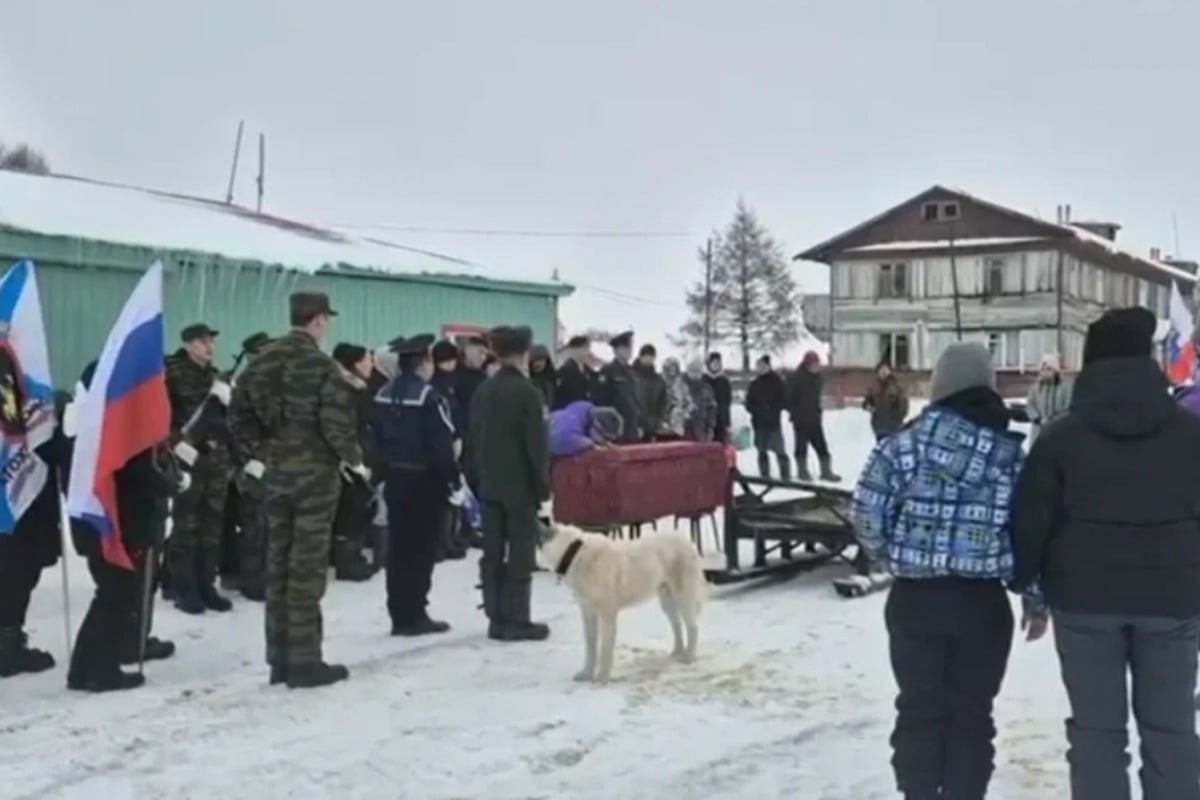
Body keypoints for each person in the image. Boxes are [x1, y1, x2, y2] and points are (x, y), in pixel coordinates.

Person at [1010, 307, 1200, 800]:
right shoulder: (1191, 435)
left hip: (1083, 600)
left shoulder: (1059, 438)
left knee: (1096, 733)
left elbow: (1030, 521)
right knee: (1171, 730)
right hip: (1175, 600)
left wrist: (1025, 581)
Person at [852, 342, 1047, 800]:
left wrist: (890, 554)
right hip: (982, 606)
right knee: (972, 715)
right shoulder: (1010, 458)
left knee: (919, 709)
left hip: (916, 601)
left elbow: (865, 512)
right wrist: (1036, 600)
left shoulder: (900, 447)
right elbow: (1030, 535)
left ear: (939, 387)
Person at [230, 291, 364, 689]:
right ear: (318, 319)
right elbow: (336, 425)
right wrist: (355, 459)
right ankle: (305, 661)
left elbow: (237, 416)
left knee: (278, 564)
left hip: (275, 474)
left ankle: (280, 658)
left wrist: (258, 453)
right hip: (315, 478)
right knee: (306, 567)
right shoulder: (322, 367)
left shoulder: (261, 363)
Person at [66, 361, 183, 692]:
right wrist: (174, 484)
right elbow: (139, 475)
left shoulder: (84, 425)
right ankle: (101, 671)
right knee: (117, 594)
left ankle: (83, 669)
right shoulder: (116, 428)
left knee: (108, 594)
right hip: (119, 525)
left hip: (93, 522)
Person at [373, 335, 464, 636]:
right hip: (425, 481)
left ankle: (398, 612)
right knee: (421, 550)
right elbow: (441, 444)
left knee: (398, 549)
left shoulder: (383, 393)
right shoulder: (428, 396)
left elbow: (376, 440)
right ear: (424, 362)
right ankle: (415, 613)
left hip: (395, 479)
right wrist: (453, 479)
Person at [469, 325, 551, 642]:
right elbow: (536, 447)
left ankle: (495, 616)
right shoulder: (529, 394)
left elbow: (473, 438)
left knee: (492, 551)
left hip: (489, 484)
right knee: (519, 552)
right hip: (520, 487)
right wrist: (542, 486)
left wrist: (476, 478)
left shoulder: (483, 391)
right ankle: (517, 619)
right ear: (522, 354)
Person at [165, 322, 234, 615]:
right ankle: (183, 588)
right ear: (189, 344)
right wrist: (176, 444)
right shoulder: (173, 375)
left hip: (216, 460)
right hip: (187, 460)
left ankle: (207, 584)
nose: (209, 347)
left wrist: (228, 401)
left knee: (211, 526)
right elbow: (161, 417)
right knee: (187, 526)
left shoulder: (216, 377)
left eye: (211, 341)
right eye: (203, 342)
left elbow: (227, 420)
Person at [0, 383, 66, 678]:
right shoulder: (26, 405)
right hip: (23, 509)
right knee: (17, 578)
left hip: (16, 506)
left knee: (15, 578)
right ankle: (8, 649)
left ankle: (9, 642)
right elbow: (50, 452)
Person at [227, 331, 274, 601]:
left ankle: (265, 576)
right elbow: (236, 426)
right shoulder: (246, 383)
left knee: (267, 523)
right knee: (254, 524)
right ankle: (253, 580)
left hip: (269, 460)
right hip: (251, 463)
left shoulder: (266, 382)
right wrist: (249, 460)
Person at [329, 343, 378, 581]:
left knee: (359, 509)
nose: (372, 364)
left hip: (360, 456)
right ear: (356, 364)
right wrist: (353, 460)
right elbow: (346, 428)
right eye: (368, 359)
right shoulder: (347, 391)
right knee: (351, 512)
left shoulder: (359, 388)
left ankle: (352, 557)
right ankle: (347, 562)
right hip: (349, 462)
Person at [430, 339, 470, 560]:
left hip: (456, 440)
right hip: (447, 443)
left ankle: (450, 538)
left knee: (454, 495)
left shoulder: (449, 382)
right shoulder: (438, 384)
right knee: (446, 495)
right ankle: (442, 542)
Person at [786, 351, 840, 482]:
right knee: (801, 446)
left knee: (821, 446)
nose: (816, 367)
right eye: (814, 364)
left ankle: (826, 471)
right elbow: (787, 398)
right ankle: (802, 471)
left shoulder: (818, 378)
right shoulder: (795, 378)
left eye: (817, 364)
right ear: (807, 364)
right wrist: (795, 412)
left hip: (815, 418)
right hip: (800, 419)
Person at [744, 355, 790, 480]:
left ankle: (785, 475)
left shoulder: (777, 382)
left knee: (779, 450)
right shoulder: (754, 384)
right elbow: (748, 403)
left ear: (769, 366)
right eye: (758, 366)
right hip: (759, 422)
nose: (761, 368)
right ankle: (764, 475)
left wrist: (772, 409)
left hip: (773, 422)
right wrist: (756, 410)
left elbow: (784, 400)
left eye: (763, 366)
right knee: (761, 450)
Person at [596, 331, 643, 443]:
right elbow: (601, 401)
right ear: (616, 350)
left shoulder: (633, 372)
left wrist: (640, 423)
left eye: (630, 347)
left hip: (632, 428)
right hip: (616, 427)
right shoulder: (608, 371)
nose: (629, 351)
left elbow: (637, 400)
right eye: (626, 348)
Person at [1024, 353, 1072, 442]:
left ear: (1055, 371)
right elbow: (1030, 404)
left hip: (1058, 431)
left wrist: (1054, 421)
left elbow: (1068, 409)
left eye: (1049, 369)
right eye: (1043, 369)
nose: (1045, 372)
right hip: (1039, 430)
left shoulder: (1065, 388)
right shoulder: (1036, 388)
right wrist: (1036, 418)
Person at [549, 401, 624, 457]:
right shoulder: (568, 428)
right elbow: (558, 439)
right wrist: (590, 444)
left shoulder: (583, 409)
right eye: (606, 438)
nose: (607, 442)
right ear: (596, 426)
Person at [863, 361, 910, 441]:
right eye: (881, 370)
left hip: (894, 427)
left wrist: (897, 419)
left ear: (890, 372)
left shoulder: (896, 387)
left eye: (885, 370)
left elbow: (903, 405)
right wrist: (871, 408)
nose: (883, 372)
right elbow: (866, 404)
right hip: (879, 427)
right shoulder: (874, 387)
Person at [632, 344, 668, 440]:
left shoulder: (658, 380)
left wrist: (658, 420)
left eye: (651, 356)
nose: (649, 359)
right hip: (633, 425)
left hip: (652, 426)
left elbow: (663, 402)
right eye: (646, 356)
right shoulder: (631, 376)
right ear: (640, 356)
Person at [553, 335, 593, 410]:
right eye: (584, 348)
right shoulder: (564, 371)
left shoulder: (589, 371)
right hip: (570, 414)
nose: (587, 352)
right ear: (573, 350)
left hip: (587, 413)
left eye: (588, 348)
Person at [681, 359, 717, 441]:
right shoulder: (681, 388)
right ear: (688, 372)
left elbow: (711, 408)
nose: (695, 375)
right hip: (685, 429)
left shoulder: (706, 389)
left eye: (698, 372)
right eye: (693, 372)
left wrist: (710, 426)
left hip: (702, 428)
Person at [660, 357, 694, 439]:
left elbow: (690, 403)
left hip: (677, 423)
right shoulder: (660, 383)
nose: (672, 370)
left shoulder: (682, 385)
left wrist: (686, 414)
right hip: (662, 423)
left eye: (674, 368)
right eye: (670, 368)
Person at [704, 352, 733, 444]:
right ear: (709, 364)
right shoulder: (704, 379)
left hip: (720, 419)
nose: (716, 365)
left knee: (720, 445)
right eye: (714, 363)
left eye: (718, 363)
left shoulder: (724, 381)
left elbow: (727, 402)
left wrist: (727, 423)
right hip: (706, 419)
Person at [529, 345, 556, 409]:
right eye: (535, 360)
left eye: (541, 360)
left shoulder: (552, 378)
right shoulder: (527, 380)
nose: (538, 364)